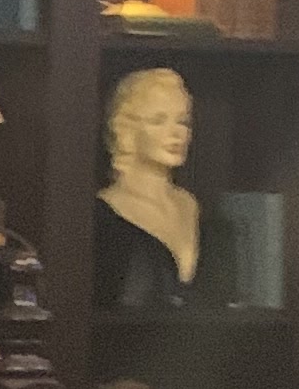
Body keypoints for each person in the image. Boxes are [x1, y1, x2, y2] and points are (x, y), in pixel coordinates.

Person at [94, 66, 222, 311]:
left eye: (183, 121)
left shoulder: (193, 208)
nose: (176, 133)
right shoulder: (103, 215)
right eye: (158, 120)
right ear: (126, 129)